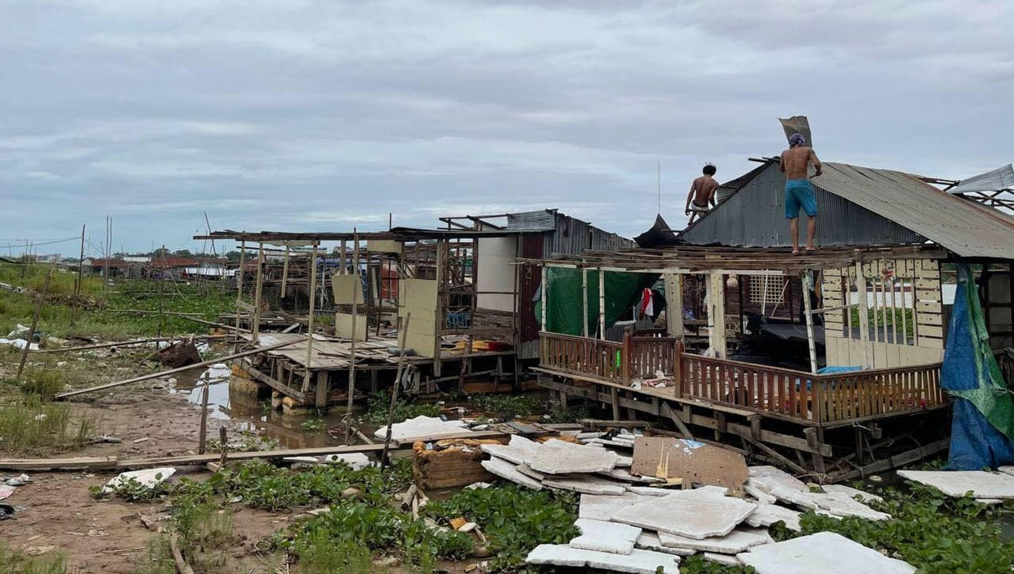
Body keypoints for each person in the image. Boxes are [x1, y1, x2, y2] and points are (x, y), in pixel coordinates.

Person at [781, 133, 822, 255]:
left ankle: (795, 249)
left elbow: (782, 169)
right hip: (802, 183)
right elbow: (817, 164)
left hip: (789, 185)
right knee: (812, 214)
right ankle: (809, 245)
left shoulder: (784, 153)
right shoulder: (807, 150)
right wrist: (818, 171)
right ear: (800, 142)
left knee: (793, 218)